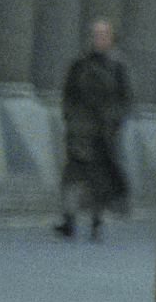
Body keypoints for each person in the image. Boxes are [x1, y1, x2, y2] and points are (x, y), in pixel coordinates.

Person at [54, 16, 129, 238]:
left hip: (103, 132)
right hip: (80, 129)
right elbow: (69, 93)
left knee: (99, 177)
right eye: (97, 34)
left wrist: (113, 121)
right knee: (72, 176)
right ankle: (68, 219)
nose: (100, 38)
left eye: (104, 34)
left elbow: (126, 98)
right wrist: (70, 117)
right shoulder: (80, 63)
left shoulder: (118, 65)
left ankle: (97, 221)